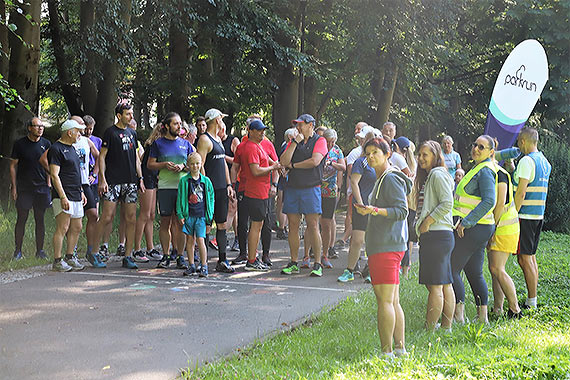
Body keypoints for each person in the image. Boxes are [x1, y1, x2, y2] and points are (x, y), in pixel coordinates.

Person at [355, 137, 411, 357]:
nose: (370, 157)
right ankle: (399, 349)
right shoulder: (382, 178)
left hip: (388, 245)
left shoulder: (390, 179)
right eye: (367, 153)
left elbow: (402, 211)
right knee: (392, 300)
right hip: (384, 245)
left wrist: (373, 211)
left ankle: (387, 352)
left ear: (388, 154)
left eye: (375, 152)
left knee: (385, 301)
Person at [91, 102, 145, 269]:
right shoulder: (110, 133)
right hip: (113, 181)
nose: (131, 117)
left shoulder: (132, 133)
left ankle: (127, 256)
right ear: (119, 115)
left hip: (130, 181)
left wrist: (140, 178)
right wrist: (102, 179)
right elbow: (101, 157)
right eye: (127, 114)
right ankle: (93, 251)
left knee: (131, 219)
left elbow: (136, 157)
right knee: (107, 217)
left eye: (131, 114)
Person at [451, 135, 497, 324]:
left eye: (482, 147)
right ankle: (482, 318)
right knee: (474, 272)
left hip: (473, 228)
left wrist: (466, 222)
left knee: (451, 269)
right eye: (475, 145)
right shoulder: (478, 168)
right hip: (481, 228)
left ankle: (458, 316)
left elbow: (489, 201)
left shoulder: (484, 171)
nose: (476, 149)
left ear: (490, 152)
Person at [414, 141, 456, 330]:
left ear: (436, 155)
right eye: (419, 154)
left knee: (436, 285)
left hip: (437, 235)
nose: (421, 158)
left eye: (425, 154)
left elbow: (447, 203)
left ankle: (430, 328)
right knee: (444, 283)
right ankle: (446, 327)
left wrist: (427, 222)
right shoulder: (433, 175)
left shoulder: (437, 174)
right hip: (440, 236)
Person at [280, 114, 327, 277]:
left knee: (313, 225)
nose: (298, 128)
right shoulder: (294, 141)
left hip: (311, 187)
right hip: (293, 187)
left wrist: (293, 165)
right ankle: (293, 262)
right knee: (293, 225)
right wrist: (294, 143)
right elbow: (283, 161)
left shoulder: (320, 141)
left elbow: (314, 161)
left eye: (301, 125)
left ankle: (317, 263)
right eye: (297, 125)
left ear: (311, 125)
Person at [147, 112, 194, 269]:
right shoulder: (158, 144)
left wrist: (183, 167)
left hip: (182, 188)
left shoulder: (185, 144)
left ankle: (180, 256)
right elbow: (150, 164)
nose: (179, 126)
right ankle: (166, 255)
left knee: (180, 222)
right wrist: (164, 164)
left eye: (180, 123)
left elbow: (194, 166)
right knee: (165, 221)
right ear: (166, 126)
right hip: (165, 187)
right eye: (175, 123)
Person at [513, 127, 551, 309]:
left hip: (525, 215)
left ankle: (531, 302)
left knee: (524, 259)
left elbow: (521, 193)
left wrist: (512, 214)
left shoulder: (527, 161)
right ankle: (532, 299)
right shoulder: (544, 161)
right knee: (531, 257)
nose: (519, 145)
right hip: (538, 215)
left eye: (520, 141)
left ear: (524, 141)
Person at [238, 119, 281, 271]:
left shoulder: (259, 146)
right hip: (255, 191)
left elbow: (271, 162)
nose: (263, 132)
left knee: (259, 224)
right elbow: (256, 171)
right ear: (250, 131)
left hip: (261, 192)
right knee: (255, 226)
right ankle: (251, 260)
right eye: (259, 130)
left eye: (263, 129)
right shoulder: (251, 148)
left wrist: (276, 166)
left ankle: (253, 258)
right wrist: (272, 167)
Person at [196, 108, 236, 273]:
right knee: (206, 226)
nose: (222, 121)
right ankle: (203, 261)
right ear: (215, 120)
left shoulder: (218, 139)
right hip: (209, 189)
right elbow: (200, 164)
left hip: (221, 189)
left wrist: (228, 185)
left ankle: (223, 260)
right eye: (221, 118)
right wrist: (206, 186)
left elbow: (223, 165)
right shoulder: (204, 140)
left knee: (222, 224)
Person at [337, 128, 377, 282]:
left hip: (375, 207)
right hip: (361, 206)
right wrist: (360, 204)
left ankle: (370, 270)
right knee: (357, 240)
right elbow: (354, 182)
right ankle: (350, 270)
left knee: (373, 240)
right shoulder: (361, 162)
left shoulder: (381, 164)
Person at [10, 117, 52, 261]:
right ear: (29, 128)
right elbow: (12, 166)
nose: (40, 128)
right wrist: (14, 187)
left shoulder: (46, 144)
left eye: (42, 126)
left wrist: (49, 183)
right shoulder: (20, 144)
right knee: (22, 219)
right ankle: (18, 251)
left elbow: (49, 165)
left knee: (40, 219)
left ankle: (40, 251)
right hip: (24, 188)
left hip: (41, 188)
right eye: (37, 126)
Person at [488, 140, 521, 318]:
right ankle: (498, 308)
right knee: (494, 270)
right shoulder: (495, 171)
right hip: (502, 225)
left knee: (498, 269)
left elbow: (500, 204)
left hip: (503, 226)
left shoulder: (498, 174)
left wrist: (492, 228)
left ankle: (515, 310)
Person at [48, 120, 87, 272]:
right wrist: (63, 197)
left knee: (77, 227)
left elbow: (75, 173)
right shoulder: (56, 149)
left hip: (76, 194)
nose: (80, 134)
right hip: (63, 195)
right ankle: (57, 261)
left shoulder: (73, 148)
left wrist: (81, 191)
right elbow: (54, 175)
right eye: (78, 131)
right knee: (63, 227)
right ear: (69, 132)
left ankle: (69, 257)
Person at [177, 153, 214, 277]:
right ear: (188, 165)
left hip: (201, 216)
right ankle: (191, 265)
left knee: (200, 240)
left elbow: (211, 199)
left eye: (197, 163)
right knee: (189, 240)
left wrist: (210, 217)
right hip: (189, 215)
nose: (195, 166)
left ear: (201, 164)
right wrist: (180, 214)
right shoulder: (184, 181)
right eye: (192, 164)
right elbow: (180, 198)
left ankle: (204, 265)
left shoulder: (206, 181)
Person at [133, 123, 164, 261]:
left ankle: (150, 248)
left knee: (151, 214)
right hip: (147, 179)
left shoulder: (159, 145)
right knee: (144, 214)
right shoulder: (153, 145)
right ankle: (137, 249)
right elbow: (147, 165)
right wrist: (142, 180)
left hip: (154, 180)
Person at [337, 121, 368, 247]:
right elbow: (350, 173)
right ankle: (347, 239)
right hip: (355, 191)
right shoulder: (356, 153)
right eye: (356, 129)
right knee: (352, 216)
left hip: (362, 191)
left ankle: (347, 239)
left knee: (356, 218)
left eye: (359, 129)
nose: (356, 132)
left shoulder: (361, 153)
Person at [319, 128, 345, 267]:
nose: (330, 144)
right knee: (315, 222)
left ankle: (326, 251)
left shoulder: (337, 150)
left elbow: (343, 167)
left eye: (332, 142)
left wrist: (331, 164)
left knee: (327, 223)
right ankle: (313, 252)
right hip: (316, 189)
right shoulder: (318, 147)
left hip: (330, 190)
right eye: (328, 141)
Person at [393, 136, 417, 277]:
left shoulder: (398, 161)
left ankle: (400, 268)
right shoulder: (414, 165)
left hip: (402, 205)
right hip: (412, 206)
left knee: (401, 238)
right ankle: (405, 271)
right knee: (407, 239)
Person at [219, 121, 240, 252]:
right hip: (221, 178)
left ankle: (233, 238)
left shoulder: (233, 140)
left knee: (232, 208)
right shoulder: (215, 141)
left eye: (219, 131)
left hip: (234, 178)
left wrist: (223, 157)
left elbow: (238, 160)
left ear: (223, 129)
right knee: (231, 210)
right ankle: (227, 238)